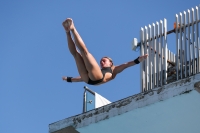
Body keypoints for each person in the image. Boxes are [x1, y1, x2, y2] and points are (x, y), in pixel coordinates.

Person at [62, 18, 148, 85]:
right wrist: (69, 79)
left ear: (111, 63)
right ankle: (67, 32)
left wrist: (138, 60)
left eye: (104, 60)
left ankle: (73, 29)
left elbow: (126, 65)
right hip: (87, 78)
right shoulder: (98, 69)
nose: (101, 62)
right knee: (76, 54)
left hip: (97, 78)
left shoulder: (114, 69)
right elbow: (80, 79)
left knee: (85, 52)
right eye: (101, 61)